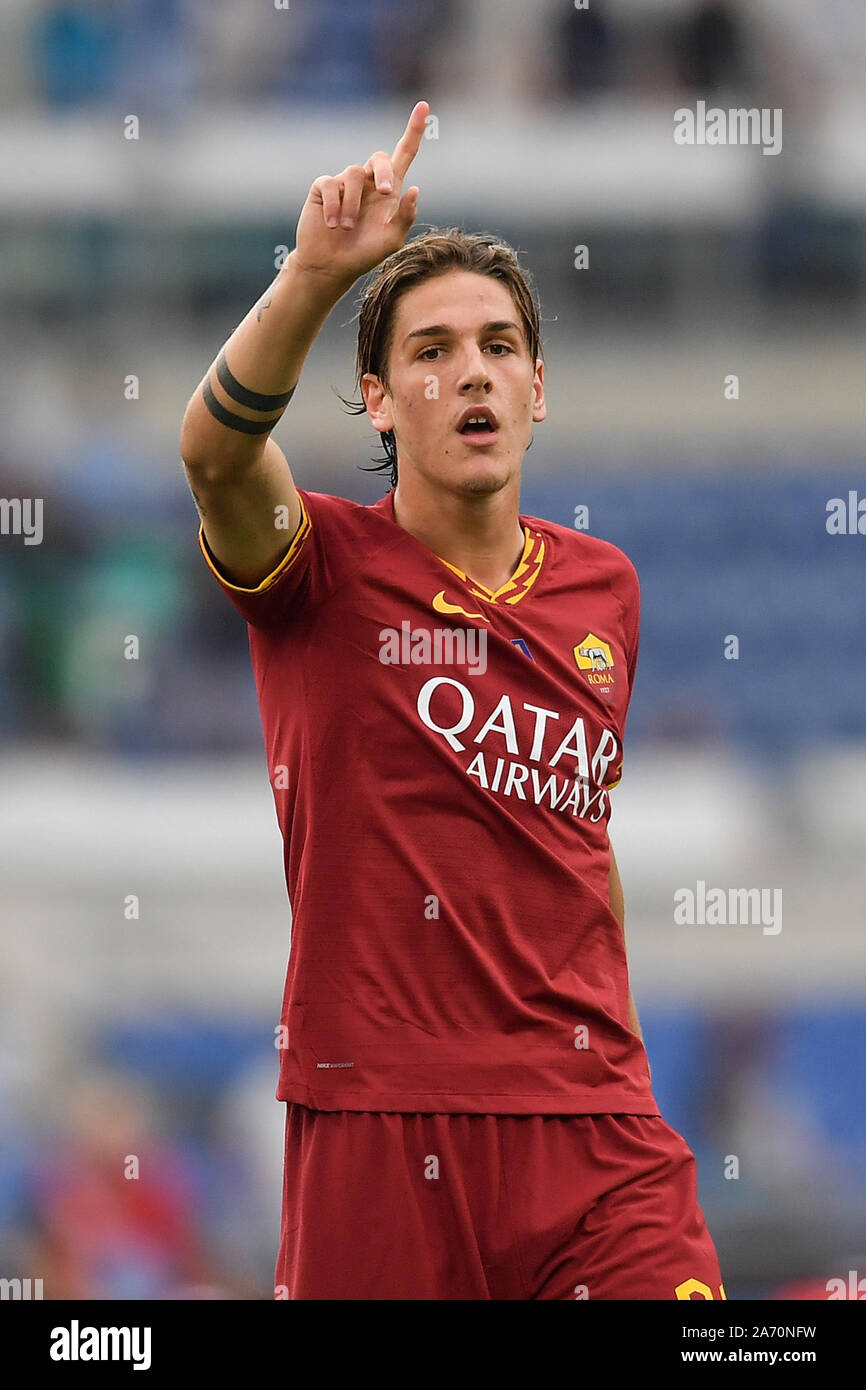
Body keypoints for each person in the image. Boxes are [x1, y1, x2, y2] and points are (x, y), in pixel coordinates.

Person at [179, 100, 725, 1301]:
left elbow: (579, 838)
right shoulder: (317, 569)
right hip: (380, 1119)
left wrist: (610, 1044)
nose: (469, 370)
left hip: (592, 1129)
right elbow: (215, 455)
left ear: (537, 386)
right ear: (376, 399)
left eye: (495, 345)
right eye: (429, 352)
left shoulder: (604, 588)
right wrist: (318, 272)